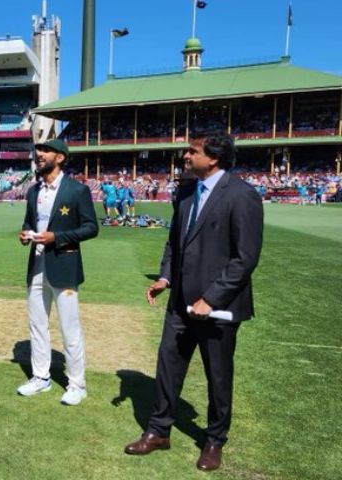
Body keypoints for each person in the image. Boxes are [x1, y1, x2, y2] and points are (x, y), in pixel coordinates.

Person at [124, 132, 263, 471]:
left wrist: (210, 298)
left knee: (218, 375)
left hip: (218, 306)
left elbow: (245, 259)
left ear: (213, 158)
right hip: (179, 302)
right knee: (168, 367)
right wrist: (164, 278)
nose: (185, 156)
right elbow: (175, 242)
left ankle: (214, 440)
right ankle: (158, 431)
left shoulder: (242, 195)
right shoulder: (186, 192)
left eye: (192, 151)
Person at [17, 138, 98, 405]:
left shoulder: (76, 191)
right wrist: (25, 233)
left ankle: (77, 384)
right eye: (38, 151)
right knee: (37, 325)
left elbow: (91, 228)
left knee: (69, 327)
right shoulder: (32, 191)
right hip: (36, 266)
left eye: (45, 151)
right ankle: (41, 377)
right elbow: (30, 221)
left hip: (64, 266)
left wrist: (57, 237)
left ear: (60, 158)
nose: (39, 154)